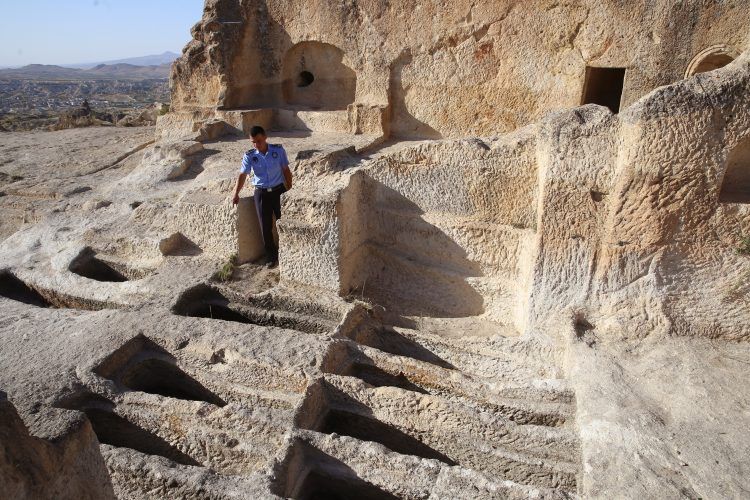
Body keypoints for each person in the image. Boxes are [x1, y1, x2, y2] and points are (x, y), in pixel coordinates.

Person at [232, 125, 292, 268]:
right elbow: (243, 175)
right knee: (265, 227)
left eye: (258, 141)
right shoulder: (250, 155)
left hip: (279, 191)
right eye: (253, 142)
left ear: (265, 137)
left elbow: (286, 170)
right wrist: (235, 193)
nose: (256, 145)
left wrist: (290, 188)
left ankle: (288, 253)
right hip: (261, 193)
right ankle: (271, 256)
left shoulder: (278, 151)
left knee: (283, 222)